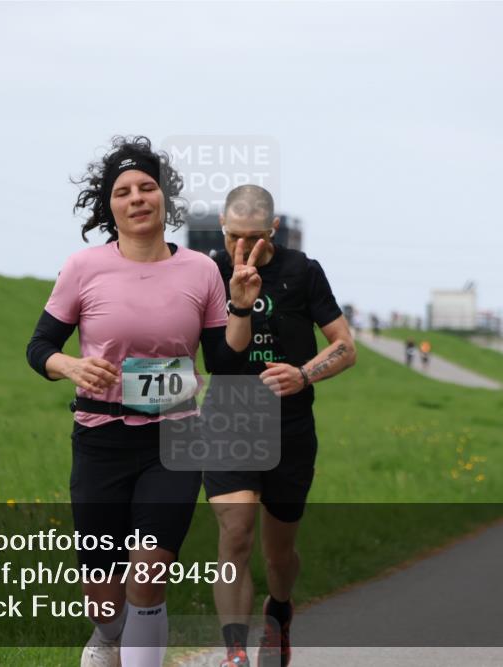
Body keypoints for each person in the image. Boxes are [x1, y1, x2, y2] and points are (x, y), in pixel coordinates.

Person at [25, 136, 262, 667]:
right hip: (99, 437)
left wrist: (242, 310)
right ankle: (109, 636)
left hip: (174, 435)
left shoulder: (201, 271)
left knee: (149, 574)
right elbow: (38, 348)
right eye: (124, 191)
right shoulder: (84, 267)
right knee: (105, 599)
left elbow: (225, 364)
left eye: (147, 187)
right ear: (108, 206)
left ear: (163, 198)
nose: (137, 198)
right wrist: (70, 365)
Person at [203, 185, 356, 667]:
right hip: (228, 419)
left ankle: (280, 610)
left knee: (278, 554)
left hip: (289, 427)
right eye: (233, 237)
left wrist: (304, 373)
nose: (243, 248)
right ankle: (234, 654)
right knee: (236, 532)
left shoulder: (302, 272)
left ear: (274, 230)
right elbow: (200, 351)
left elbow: (345, 347)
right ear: (222, 231)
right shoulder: (209, 271)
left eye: (255, 237)